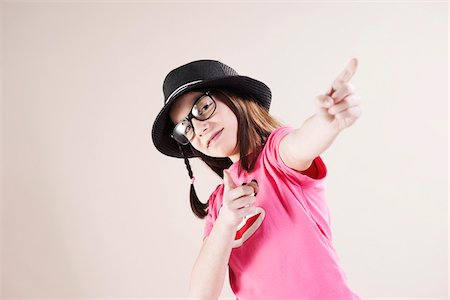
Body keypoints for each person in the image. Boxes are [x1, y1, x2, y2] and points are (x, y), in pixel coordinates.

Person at [151, 59, 362, 300]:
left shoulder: (275, 155)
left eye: (203, 107)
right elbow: (200, 295)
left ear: (234, 97)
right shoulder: (221, 203)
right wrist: (225, 222)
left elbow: (299, 145)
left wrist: (327, 123)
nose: (199, 129)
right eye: (185, 128)